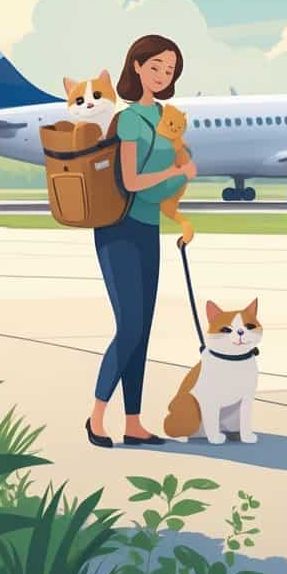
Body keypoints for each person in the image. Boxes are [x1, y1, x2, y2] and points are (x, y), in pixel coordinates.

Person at [86, 34, 197, 449]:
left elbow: (160, 179)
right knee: (129, 326)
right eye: (155, 67)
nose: (162, 75)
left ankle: (133, 422)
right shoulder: (131, 119)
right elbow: (132, 181)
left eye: (169, 70)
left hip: (147, 227)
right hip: (119, 229)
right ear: (136, 67)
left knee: (143, 329)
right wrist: (179, 175)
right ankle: (97, 417)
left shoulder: (167, 118)